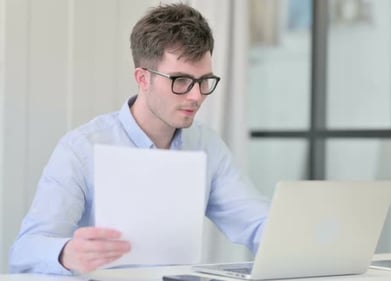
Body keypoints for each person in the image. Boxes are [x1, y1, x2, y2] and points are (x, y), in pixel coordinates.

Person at [9, 3, 270, 275]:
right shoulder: (81, 149)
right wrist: (66, 253)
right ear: (143, 78)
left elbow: (256, 223)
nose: (196, 96)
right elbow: (24, 250)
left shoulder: (207, 146)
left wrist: (298, 241)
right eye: (180, 80)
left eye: (204, 80)